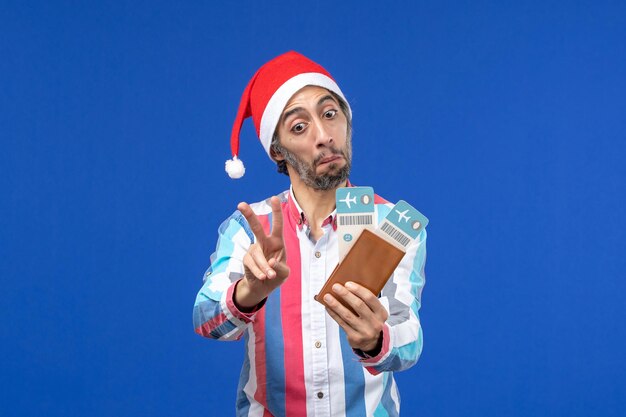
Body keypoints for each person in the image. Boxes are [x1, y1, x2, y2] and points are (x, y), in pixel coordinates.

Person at [193, 51, 427, 417]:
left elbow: (409, 338)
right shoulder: (247, 228)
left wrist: (376, 340)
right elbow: (207, 321)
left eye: (330, 114)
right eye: (299, 127)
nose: (323, 136)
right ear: (277, 151)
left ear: (347, 122)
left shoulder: (390, 223)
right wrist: (250, 292)